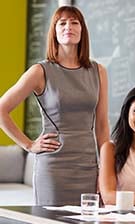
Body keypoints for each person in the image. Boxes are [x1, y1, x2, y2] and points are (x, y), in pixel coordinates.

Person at [0, 6, 109, 205]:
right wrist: (29, 145)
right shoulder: (40, 71)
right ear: (55, 31)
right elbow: (1, 110)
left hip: (88, 167)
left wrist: (106, 171)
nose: (69, 27)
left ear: (82, 30)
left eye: (75, 22)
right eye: (63, 23)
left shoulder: (98, 71)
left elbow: (102, 126)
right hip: (53, 169)